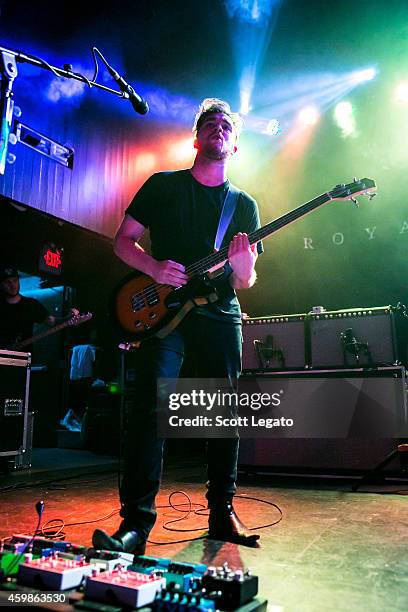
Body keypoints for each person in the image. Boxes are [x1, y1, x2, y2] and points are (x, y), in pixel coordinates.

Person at [92, 98, 263, 554]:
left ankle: (222, 513)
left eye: (226, 125)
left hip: (219, 311)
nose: (218, 129)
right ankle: (135, 526)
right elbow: (122, 242)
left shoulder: (244, 205)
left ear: (236, 144)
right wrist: (152, 267)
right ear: (196, 138)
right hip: (166, 314)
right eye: (210, 123)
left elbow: (244, 281)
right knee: (150, 407)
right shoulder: (163, 186)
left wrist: (244, 267)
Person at [0, 264, 78, 349]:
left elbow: (52, 321)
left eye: (15, 280)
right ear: (1, 285)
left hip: (24, 357)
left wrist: (69, 318)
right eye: (8, 282)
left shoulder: (31, 304)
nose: (12, 285)